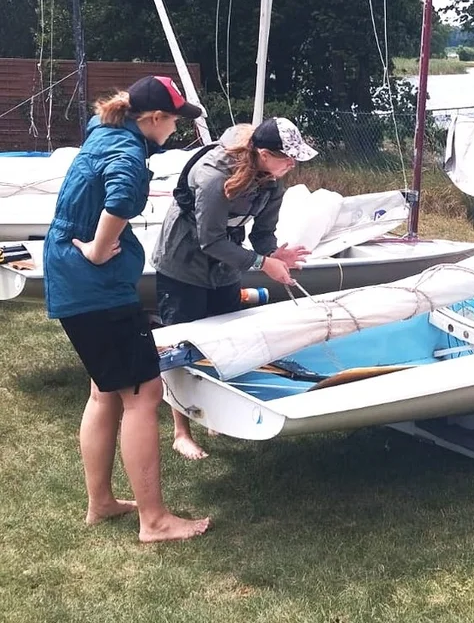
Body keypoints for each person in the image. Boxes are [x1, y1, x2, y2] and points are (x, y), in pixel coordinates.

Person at [43, 75, 211, 543]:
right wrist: (99, 250)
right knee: (143, 395)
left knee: (104, 391)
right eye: (174, 122)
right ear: (153, 118)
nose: (175, 130)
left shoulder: (105, 132)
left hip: (72, 281)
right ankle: (155, 521)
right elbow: (118, 197)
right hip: (96, 288)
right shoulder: (127, 152)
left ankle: (102, 502)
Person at [152, 116, 317, 460]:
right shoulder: (215, 176)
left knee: (225, 339)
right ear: (262, 152)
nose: (292, 165)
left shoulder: (272, 181)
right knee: (180, 343)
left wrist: (274, 252)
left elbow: (261, 233)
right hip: (183, 261)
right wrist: (260, 264)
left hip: (225, 266)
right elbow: (209, 239)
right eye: (287, 157)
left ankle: (216, 413)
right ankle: (181, 431)